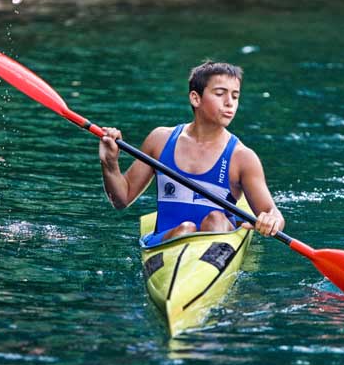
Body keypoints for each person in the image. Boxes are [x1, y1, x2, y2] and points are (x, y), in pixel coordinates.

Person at [98, 60, 285, 246]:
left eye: (235, 96)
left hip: (218, 239)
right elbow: (121, 199)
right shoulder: (160, 140)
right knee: (185, 229)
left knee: (216, 219)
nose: (230, 103)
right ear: (196, 98)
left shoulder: (242, 157)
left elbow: (271, 211)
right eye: (220, 94)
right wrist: (110, 164)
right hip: (166, 241)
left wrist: (272, 221)